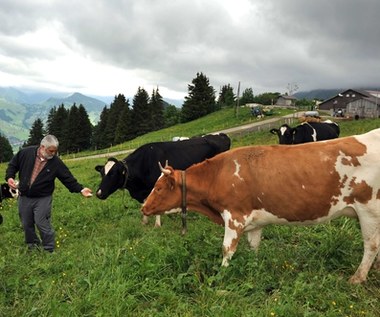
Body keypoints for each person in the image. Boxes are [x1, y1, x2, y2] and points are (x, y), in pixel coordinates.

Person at [5, 135, 93, 253]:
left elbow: (67, 178)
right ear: (42, 147)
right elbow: (13, 165)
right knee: (26, 223)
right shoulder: (26, 153)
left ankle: (48, 248)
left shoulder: (56, 162)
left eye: (55, 151)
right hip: (24, 196)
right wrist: (10, 177)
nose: (53, 154)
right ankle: (32, 245)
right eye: (51, 151)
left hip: (43, 198)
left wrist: (81, 189)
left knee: (42, 222)